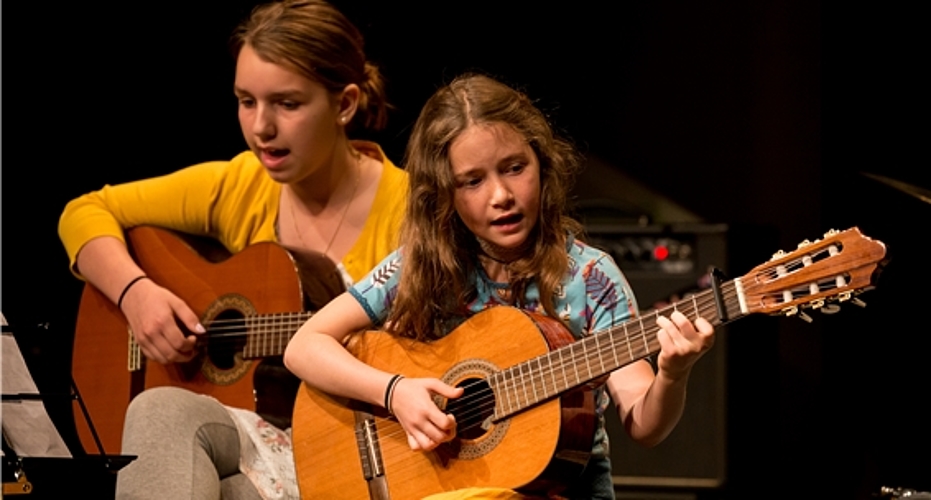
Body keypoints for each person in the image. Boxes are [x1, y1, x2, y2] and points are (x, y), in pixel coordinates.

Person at [283, 73, 716, 499]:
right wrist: (394, 392)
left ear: (542, 166)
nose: (501, 195)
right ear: (443, 195)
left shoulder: (591, 278)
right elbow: (304, 346)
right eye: (472, 181)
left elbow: (643, 424)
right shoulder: (420, 266)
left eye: (514, 168)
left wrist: (673, 375)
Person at [57, 1, 406, 498]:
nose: (261, 127)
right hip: (259, 430)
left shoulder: (413, 211)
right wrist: (137, 295)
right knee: (157, 410)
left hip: (357, 443)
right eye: (246, 101)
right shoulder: (244, 184)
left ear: (345, 104)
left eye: (287, 104)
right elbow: (84, 212)